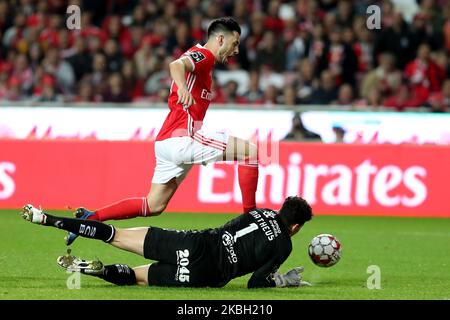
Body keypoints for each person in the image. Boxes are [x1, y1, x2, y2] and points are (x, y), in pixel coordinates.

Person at [65, 17, 259, 246]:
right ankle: (251, 219)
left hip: (166, 142)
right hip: (183, 138)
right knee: (252, 152)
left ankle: (92, 218)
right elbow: (176, 65)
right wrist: (184, 89)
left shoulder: (203, 60)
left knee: (153, 205)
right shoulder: (204, 56)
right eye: (235, 43)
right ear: (220, 39)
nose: (236, 50)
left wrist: (185, 87)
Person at [21, 196, 313, 288]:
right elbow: (255, 283)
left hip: (197, 244)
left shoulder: (259, 211)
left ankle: (46, 218)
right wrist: (282, 281)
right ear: (296, 226)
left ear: (280, 209)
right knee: (137, 277)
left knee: (114, 234)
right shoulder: (284, 246)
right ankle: (98, 271)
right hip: (206, 274)